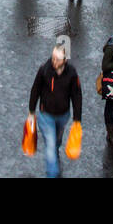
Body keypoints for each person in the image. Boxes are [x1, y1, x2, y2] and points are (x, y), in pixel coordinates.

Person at [28, 42, 83, 178]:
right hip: (46, 115)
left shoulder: (71, 74)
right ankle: (52, 173)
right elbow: (35, 90)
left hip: (63, 115)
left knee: (57, 140)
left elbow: (76, 95)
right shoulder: (44, 70)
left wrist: (77, 119)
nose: (54, 61)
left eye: (57, 59)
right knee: (50, 145)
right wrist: (31, 111)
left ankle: (56, 151)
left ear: (64, 60)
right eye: (53, 58)